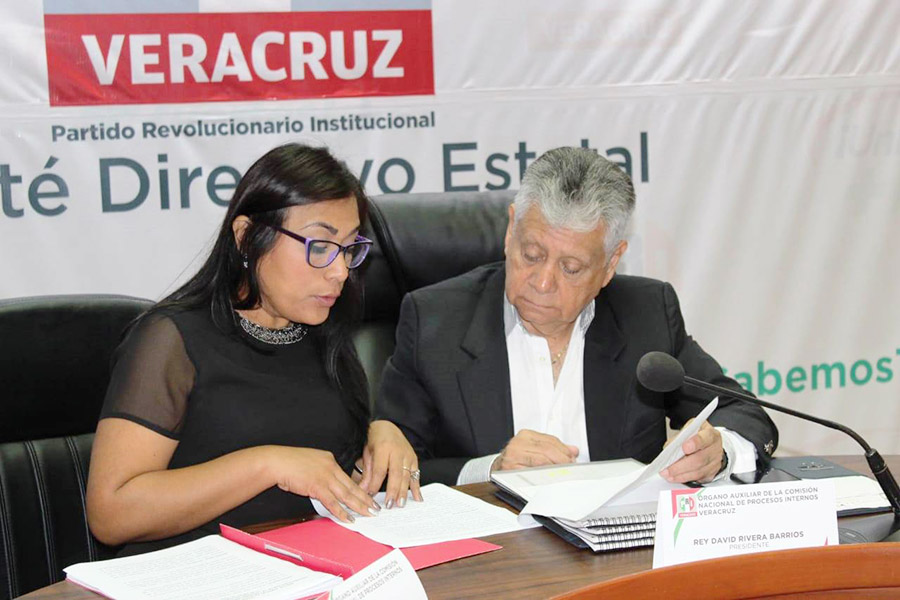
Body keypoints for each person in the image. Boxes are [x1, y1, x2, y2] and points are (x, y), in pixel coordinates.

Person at [87, 144, 422, 555]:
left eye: (350, 247)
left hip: (308, 568)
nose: (339, 271)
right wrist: (267, 465)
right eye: (320, 246)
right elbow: (111, 514)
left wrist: (377, 437)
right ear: (247, 237)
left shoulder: (324, 333)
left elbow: (328, 474)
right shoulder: (171, 340)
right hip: (193, 575)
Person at [376, 147, 778, 487]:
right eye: (531, 254)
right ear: (511, 229)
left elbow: (744, 414)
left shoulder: (647, 314)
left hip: (621, 549)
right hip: (496, 549)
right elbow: (391, 465)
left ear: (610, 264)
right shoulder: (434, 322)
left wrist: (720, 452)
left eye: (571, 268)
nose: (542, 282)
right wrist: (489, 470)